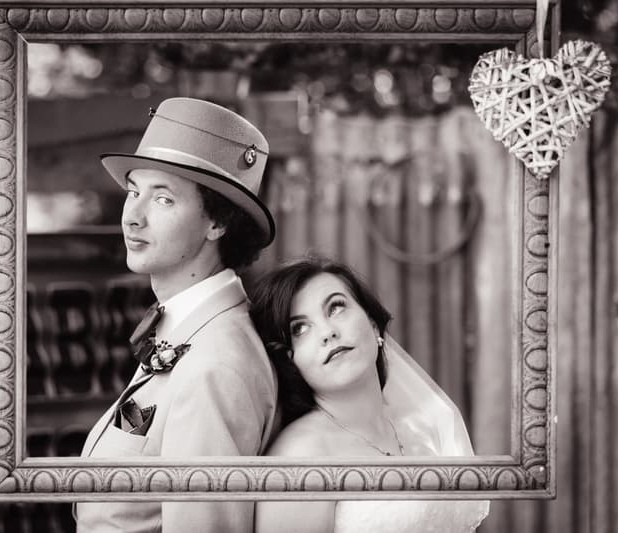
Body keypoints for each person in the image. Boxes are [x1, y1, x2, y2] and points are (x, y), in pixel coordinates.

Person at [76, 97, 278, 533]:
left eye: (163, 199)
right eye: (134, 192)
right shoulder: (189, 332)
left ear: (217, 223)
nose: (133, 216)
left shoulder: (214, 367)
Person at [249, 257, 490, 533]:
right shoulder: (298, 458)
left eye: (336, 308)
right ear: (292, 360)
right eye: (300, 329)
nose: (327, 332)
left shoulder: (418, 425)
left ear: (374, 325)